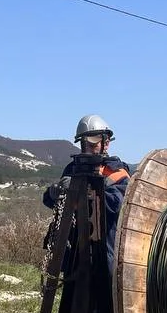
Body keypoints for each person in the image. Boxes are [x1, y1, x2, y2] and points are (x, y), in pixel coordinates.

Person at [42, 114, 130, 275]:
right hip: (75, 250)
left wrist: (84, 191)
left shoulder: (117, 172)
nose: (87, 149)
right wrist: (54, 193)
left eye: (92, 144)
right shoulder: (73, 169)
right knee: (71, 288)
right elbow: (51, 201)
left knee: (105, 288)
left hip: (105, 249)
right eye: (84, 144)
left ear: (106, 143)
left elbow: (116, 205)